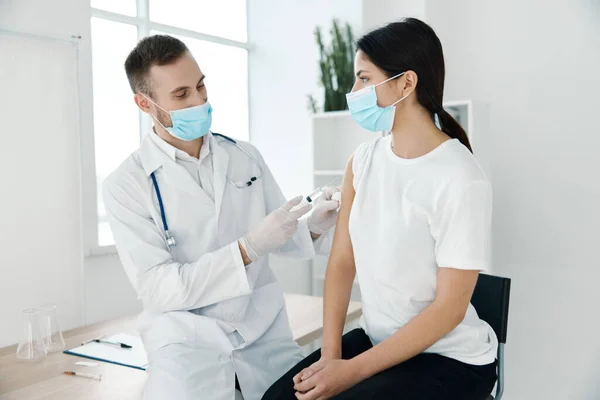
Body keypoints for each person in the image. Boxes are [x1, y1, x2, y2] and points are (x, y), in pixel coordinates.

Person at [263, 18, 498, 400]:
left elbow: (449, 310)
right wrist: (331, 358)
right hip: (378, 341)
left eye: (363, 78)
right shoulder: (363, 161)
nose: (353, 91)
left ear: (406, 83)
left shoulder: (460, 177)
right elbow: (341, 263)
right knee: (278, 398)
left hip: (448, 358)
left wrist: (350, 372)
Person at [103, 34, 340, 400]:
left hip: (263, 334)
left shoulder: (244, 156)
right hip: (186, 343)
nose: (199, 100)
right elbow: (158, 289)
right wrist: (245, 250)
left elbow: (278, 235)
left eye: (200, 86)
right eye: (181, 95)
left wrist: (312, 227)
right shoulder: (127, 184)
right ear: (144, 103)